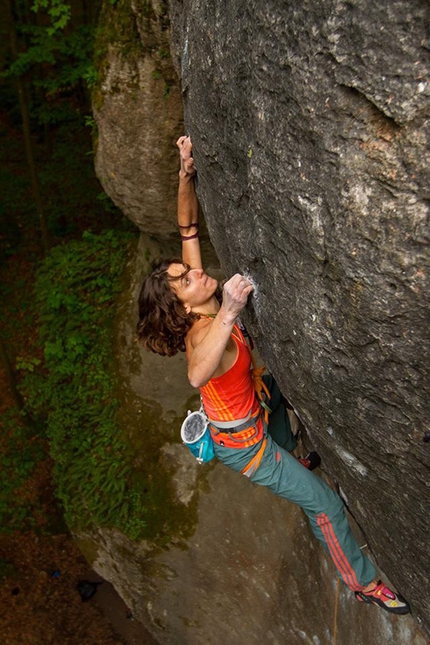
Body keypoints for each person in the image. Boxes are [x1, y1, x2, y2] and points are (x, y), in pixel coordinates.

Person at [136, 135, 410, 616]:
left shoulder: (200, 296)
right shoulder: (203, 333)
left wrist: (184, 173)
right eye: (185, 280)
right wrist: (232, 312)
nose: (196, 274)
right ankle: (363, 585)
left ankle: (296, 463)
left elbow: (188, 228)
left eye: (188, 272)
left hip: (256, 408)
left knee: (279, 397)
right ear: (182, 304)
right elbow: (198, 376)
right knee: (323, 503)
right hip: (247, 447)